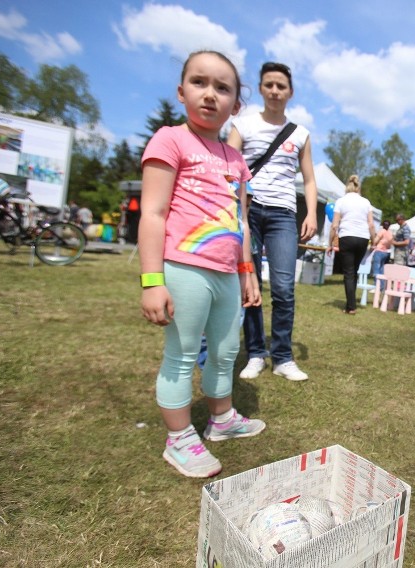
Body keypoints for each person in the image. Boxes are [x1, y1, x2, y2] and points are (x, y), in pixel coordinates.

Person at [139, 51, 264, 478]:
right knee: (182, 353)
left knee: (226, 351)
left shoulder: (237, 161)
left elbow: (241, 221)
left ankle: (222, 419)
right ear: (181, 91)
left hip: (228, 274)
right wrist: (152, 281)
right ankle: (178, 439)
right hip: (184, 268)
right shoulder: (170, 140)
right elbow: (152, 214)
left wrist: (247, 273)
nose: (210, 94)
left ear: (236, 105)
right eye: (199, 82)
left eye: (223, 87)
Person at [229, 61, 318, 382]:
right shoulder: (242, 126)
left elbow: (309, 179)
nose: (275, 91)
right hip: (248, 212)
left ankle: (282, 356)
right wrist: (234, 212)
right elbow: (228, 169)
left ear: (290, 92)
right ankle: (255, 353)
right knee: (250, 285)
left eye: (281, 86)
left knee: (283, 288)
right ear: (262, 88)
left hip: (283, 214)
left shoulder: (301, 133)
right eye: (269, 85)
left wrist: (310, 212)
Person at [327, 174, 375, 315]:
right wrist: (374, 240)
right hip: (362, 238)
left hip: (347, 237)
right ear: (358, 187)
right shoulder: (366, 202)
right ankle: (351, 303)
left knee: (348, 272)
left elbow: (334, 225)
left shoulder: (341, 201)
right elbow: (371, 224)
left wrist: (330, 243)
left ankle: (351, 306)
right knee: (354, 271)